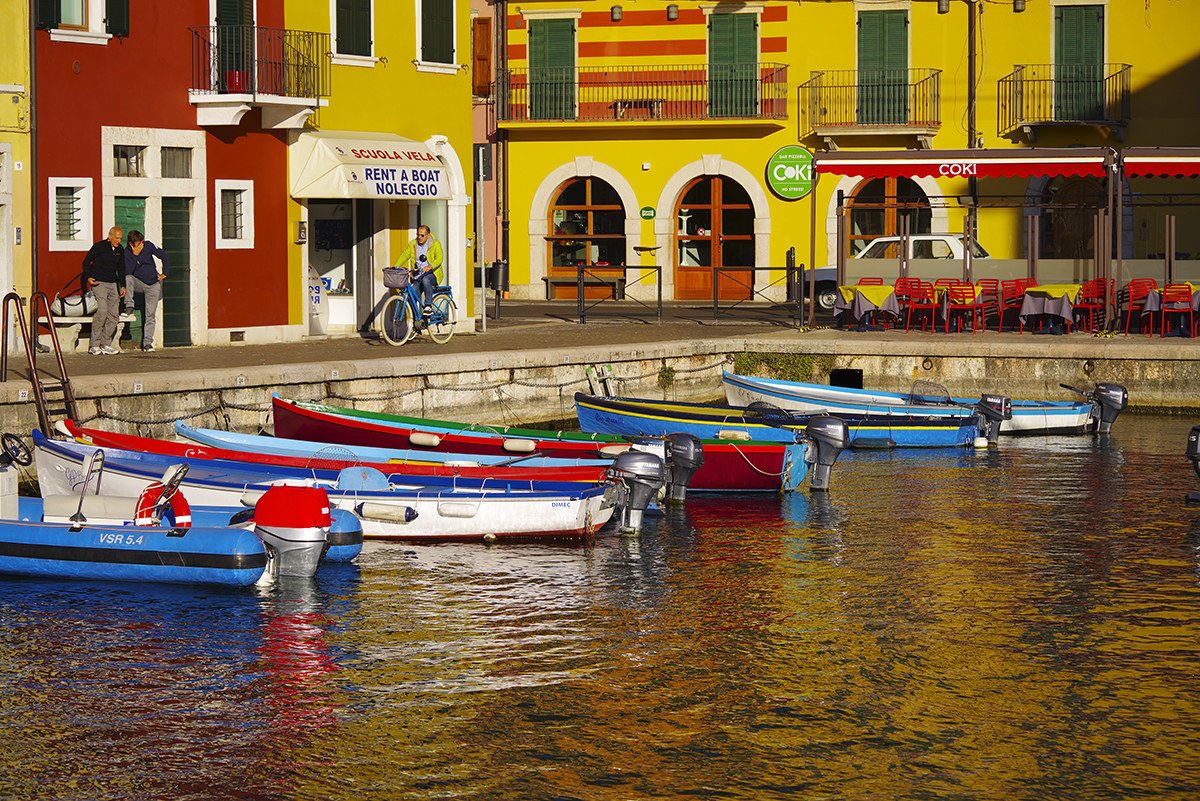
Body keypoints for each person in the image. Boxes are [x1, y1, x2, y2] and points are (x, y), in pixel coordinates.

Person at [81, 226, 127, 355]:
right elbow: (86, 262)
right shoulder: (99, 246)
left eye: (121, 239)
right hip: (99, 282)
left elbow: (121, 269)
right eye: (117, 238)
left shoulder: (120, 250)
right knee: (102, 311)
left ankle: (105, 343)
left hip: (113, 284)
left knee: (114, 315)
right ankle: (94, 345)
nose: (119, 241)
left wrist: (123, 285)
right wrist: (88, 277)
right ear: (110, 236)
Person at [123, 230, 169, 352]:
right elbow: (128, 271)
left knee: (150, 315)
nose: (142, 245)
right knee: (128, 278)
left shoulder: (148, 245)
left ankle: (147, 343)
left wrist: (165, 273)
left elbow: (163, 255)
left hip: (153, 284)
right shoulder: (126, 252)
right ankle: (129, 307)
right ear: (132, 244)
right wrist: (135, 255)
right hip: (139, 283)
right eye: (139, 243)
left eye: (142, 242)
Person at [392, 225, 444, 315]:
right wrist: (395, 267)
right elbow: (404, 255)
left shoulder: (435, 244)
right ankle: (417, 322)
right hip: (418, 275)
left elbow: (440, 258)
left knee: (426, 279)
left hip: (432, 274)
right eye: (418, 235)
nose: (419, 237)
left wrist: (430, 266)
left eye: (422, 235)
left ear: (428, 236)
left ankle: (428, 306)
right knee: (412, 296)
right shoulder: (413, 244)